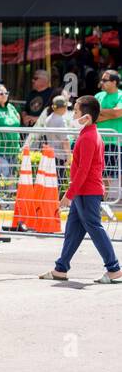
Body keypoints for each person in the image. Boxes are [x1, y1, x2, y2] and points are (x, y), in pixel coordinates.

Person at [40, 94, 122, 283]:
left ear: (86, 117)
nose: (73, 115)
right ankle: (61, 268)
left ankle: (114, 269)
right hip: (85, 191)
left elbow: (84, 170)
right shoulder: (90, 133)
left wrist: (69, 195)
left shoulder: (88, 137)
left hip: (86, 191)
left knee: (94, 228)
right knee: (73, 230)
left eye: (75, 111)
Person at [96, 69, 122, 200]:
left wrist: (101, 113)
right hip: (99, 141)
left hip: (116, 141)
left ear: (114, 82)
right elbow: (92, 116)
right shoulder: (98, 96)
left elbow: (118, 112)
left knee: (118, 173)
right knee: (102, 174)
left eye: (105, 80)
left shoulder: (121, 96)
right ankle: (103, 200)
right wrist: (110, 114)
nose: (102, 83)